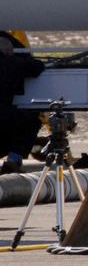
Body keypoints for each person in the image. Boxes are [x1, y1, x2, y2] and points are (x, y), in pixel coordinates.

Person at [0, 32, 45, 174]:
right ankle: (13, 161)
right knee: (30, 121)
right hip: (3, 118)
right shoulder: (12, 63)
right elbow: (37, 67)